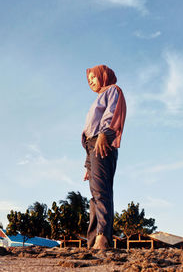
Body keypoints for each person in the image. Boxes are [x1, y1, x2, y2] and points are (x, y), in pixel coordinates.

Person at [82, 65, 126, 249]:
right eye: (89, 79)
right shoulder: (98, 97)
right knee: (94, 195)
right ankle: (92, 240)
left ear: (104, 76)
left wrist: (104, 134)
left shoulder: (113, 91)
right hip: (92, 146)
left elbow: (112, 113)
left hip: (102, 141)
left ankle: (103, 238)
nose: (91, 81)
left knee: (101, 191)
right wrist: (87, 164)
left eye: (94, 77)